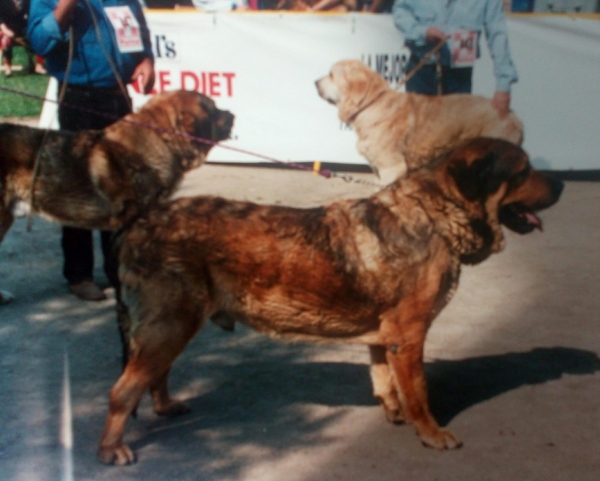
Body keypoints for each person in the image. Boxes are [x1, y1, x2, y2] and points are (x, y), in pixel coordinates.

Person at [27, 0, 155, 301]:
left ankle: (119, 271)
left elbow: (140, 32)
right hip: (78, 97)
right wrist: (65, 8)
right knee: (79, 187)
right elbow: (39, 40)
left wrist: (146, 59)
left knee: (120, 188)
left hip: (118, 97)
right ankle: (79, 274)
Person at [392, 0, 518, 117]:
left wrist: (503, 86)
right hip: (421, 75)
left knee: (457, 139)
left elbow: (498, 35)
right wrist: (422, 32)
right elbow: (400, 10)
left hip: (459, 79)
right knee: (420, 138)